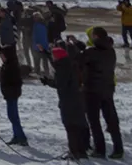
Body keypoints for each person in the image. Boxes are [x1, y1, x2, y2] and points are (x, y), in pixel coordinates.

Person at [43, 41, 91, 159]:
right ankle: (81, 151)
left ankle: (74, 152)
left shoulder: (62, 69)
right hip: (76, 99)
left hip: (68, 101)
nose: (53, 58)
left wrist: (48, 82)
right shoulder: (69, 65)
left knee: (71, 127)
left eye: (53, 56)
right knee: (78, 125)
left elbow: (61, 85)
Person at [80, 28, 123, 159]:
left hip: (92, 91)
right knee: (111, 120)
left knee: (94, 121)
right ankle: (118, 148)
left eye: (92, 36)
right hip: (108, 89)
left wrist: (77, 48)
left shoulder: (91, 52)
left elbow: (78, 61)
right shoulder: (111, 51)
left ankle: (100, 149)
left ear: (96, 36)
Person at [0, 43, 27, 146]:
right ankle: (16, 136)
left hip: (12, 94)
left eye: (3, 55)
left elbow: (14, 81)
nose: (1, 58)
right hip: (9, 94)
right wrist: (0, 50)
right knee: (12, 116)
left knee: (13, 116)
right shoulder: (9, 63)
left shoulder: (11, 66)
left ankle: (21, 137)